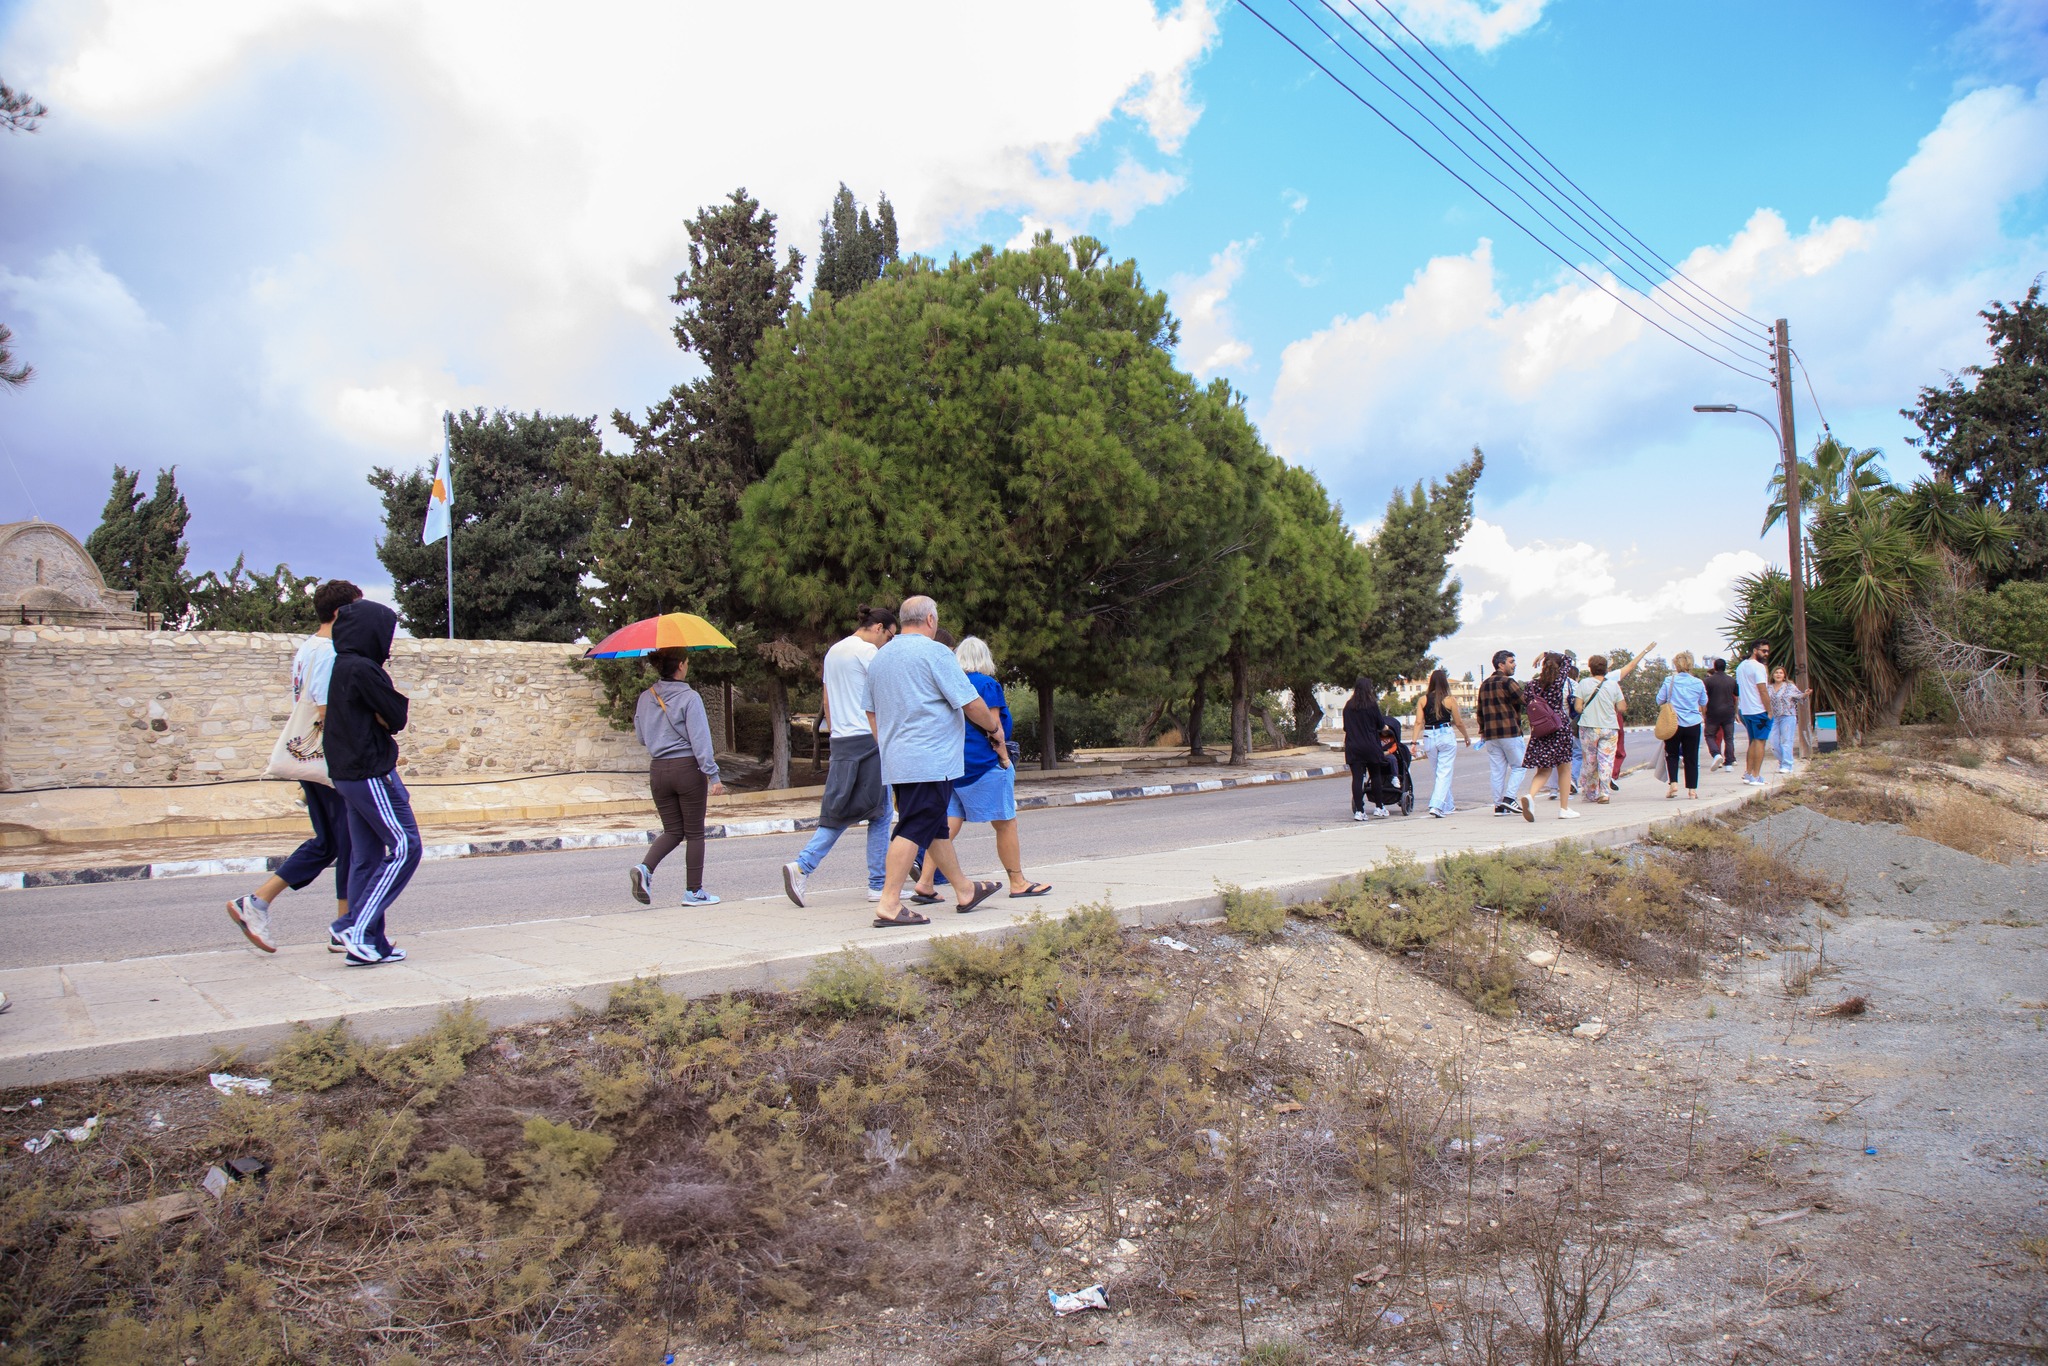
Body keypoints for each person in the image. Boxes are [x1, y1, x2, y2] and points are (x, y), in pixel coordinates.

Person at [227, 579, 363, 953]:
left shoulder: (307, 648)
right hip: (329, 762)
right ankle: (344, 927)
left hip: (311, 761)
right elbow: (324, 708)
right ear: (341, 613)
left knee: (329, 842)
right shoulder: (332, 651)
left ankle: (256, 903)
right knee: (348, 841)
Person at [866, 596, 1009, 927]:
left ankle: (964, 889)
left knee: (935, 826)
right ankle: (889, 903)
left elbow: (870, 710)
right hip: (930, 758)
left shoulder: (881, 656)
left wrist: (887, 745)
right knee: (914, 826)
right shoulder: (936, 653)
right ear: (931, 619)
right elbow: (970, 703)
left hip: (899, 759)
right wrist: (993, 729)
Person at [908, 635, 1051, 902]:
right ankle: (1018, 881)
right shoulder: (987, 685)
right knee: (1005, 823)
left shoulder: (947, 684)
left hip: (951, 766)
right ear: (985, 658)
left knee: (946, 826)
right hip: (983, 765)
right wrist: (1005, 759)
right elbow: (992, 726)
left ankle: (926, 884)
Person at [324, 600, 419, 966]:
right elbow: (395, 716)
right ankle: (356, 928)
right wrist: (387, 713)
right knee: (405, 846)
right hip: (370, 772)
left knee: (366, 857)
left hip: (346, 775)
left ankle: (372, 942)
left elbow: (387, 715)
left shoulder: (341, 665)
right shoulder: (365, 669)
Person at [783, 607, 896, 908]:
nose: (888, 643)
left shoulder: (834, 652)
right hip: (868, 739)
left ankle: (803, 866)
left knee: (840, 810)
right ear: (879, 628)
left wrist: (835, 734)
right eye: (890, 636)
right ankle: (875, 884)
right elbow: (886, 696)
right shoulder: (868, 653)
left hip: (842, 740)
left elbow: (826, 699)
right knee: (881, 812)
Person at [628, 649, 726, 907]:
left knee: (673, 830)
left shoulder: (644, 698)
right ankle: (694, 892)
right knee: (694, 834)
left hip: (658, 770)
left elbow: (641, 737)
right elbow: (701, 739)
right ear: (680, 665)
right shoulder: (689, 697)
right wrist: (712, 775)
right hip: (687, 770)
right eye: (687, 662)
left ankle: (645, 868)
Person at [1572, 644, 1653, 806]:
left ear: (1590, 668)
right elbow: (1622, 707)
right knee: (1606, 760)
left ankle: (1590, 792)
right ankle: (1604, 792)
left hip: (1589, 727)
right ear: (1606, 669)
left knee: (1590, 760)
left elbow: (1578, 707)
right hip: (1609, 727)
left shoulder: (1584, 684)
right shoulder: (1613, 685)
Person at [1514, 652, 1578, 821]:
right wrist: (1545, 653)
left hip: (1541, 729)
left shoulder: (1531, 685)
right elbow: (1568, 660)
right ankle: (1564, 809)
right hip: (1559, 726)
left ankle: (1531, 795)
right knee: (1564, 768)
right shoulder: (1558, 682)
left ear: (1543, 666)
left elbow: (1527, 702)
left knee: (1543, 769)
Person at [1416, 667, 1472, 818]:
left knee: (1439, 773)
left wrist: (1414, 742)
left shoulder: (1423, 699)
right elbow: (1458, 722)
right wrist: (1466, 736)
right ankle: (1436, 805)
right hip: (1445, 734)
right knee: (1444, 772)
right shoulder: (1449, 700)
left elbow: (1418, 722)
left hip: (1429, 735)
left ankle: (1448, 805)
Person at [1476, 650, 1527, 815]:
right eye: (1511, 662)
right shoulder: (1508, 682)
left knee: (1497, 771)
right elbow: (1525, 700)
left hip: (1491, 735)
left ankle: (1499, 806)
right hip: (1510, 731)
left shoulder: (1484, 684)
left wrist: (1483, 730)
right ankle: (1509, 798)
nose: (1514, 665)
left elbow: (1480, 711)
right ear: (1501, 664)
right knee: (1519, 766)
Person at [1657, 652, 1708, 800]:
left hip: (1674, 723)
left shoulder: (1669, 680)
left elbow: (1659, 700)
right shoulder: (1698, 683)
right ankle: (1692, 790)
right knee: (1691, 757)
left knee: (1671, 754)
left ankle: (1673, 783)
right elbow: (1704, 702)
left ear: (1676, 665)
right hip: (1693, 723)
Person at [1341, 676, 1392, 820]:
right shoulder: (1372, 705)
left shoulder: (1348, 706)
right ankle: (1379, 807)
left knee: (1357, 778)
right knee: (1375, 775)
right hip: (1370, 745)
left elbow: (1346, 727)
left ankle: (1359, 811)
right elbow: (1381, 725)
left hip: (1353, 746)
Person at [1736, 640, 1774, 786]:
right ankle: (1756, 775)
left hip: (1746, 709)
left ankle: (1748, 772)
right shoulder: (1758, 667)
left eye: (1767, 651)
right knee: (1760, 742)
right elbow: (1762, 690)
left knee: (1753, 741)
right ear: (1754, 650)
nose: (1766, 654)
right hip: (1758, 709)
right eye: (1763, 651)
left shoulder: (1741, 666)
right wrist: (1769, 710)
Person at [1702, 659, 1739, 773]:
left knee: (1709, 735)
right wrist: (1736, 712)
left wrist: (1704, 713)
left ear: (1715, 667)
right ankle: (1729, 762)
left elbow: (1704, 699)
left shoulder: (1708, 681)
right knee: (1729, 738)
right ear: (1725, 667)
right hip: (1728, 712)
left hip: (1713, 712)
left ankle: (1716, 753)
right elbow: (1736, 697)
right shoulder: (1732, 681)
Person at [1768, 664, 1804, 777]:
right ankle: (1782, 761)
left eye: (1781, 673)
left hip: (1788, 716)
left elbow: (1800, 696)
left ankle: (1787, 765)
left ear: (1784, 676)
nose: (1778, 674)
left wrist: (1805, 694)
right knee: (1773, 742)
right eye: (1776, 672)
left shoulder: (1789, 686)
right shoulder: (1768, 688)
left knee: (1786, 741)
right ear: (1772, 675)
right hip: (1774, 717)